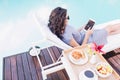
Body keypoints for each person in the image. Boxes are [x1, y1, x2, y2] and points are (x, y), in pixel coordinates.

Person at [48, 7, 120, 47]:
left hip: (84, 34)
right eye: (67, 17)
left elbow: (73, 33)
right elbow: (81, 48)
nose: (68, 19)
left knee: (108, 32)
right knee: (109, 28)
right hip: (88, 41)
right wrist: (87, 35)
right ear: (61, 20)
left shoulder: (62, 27)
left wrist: (82, 27)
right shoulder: (67, 37)